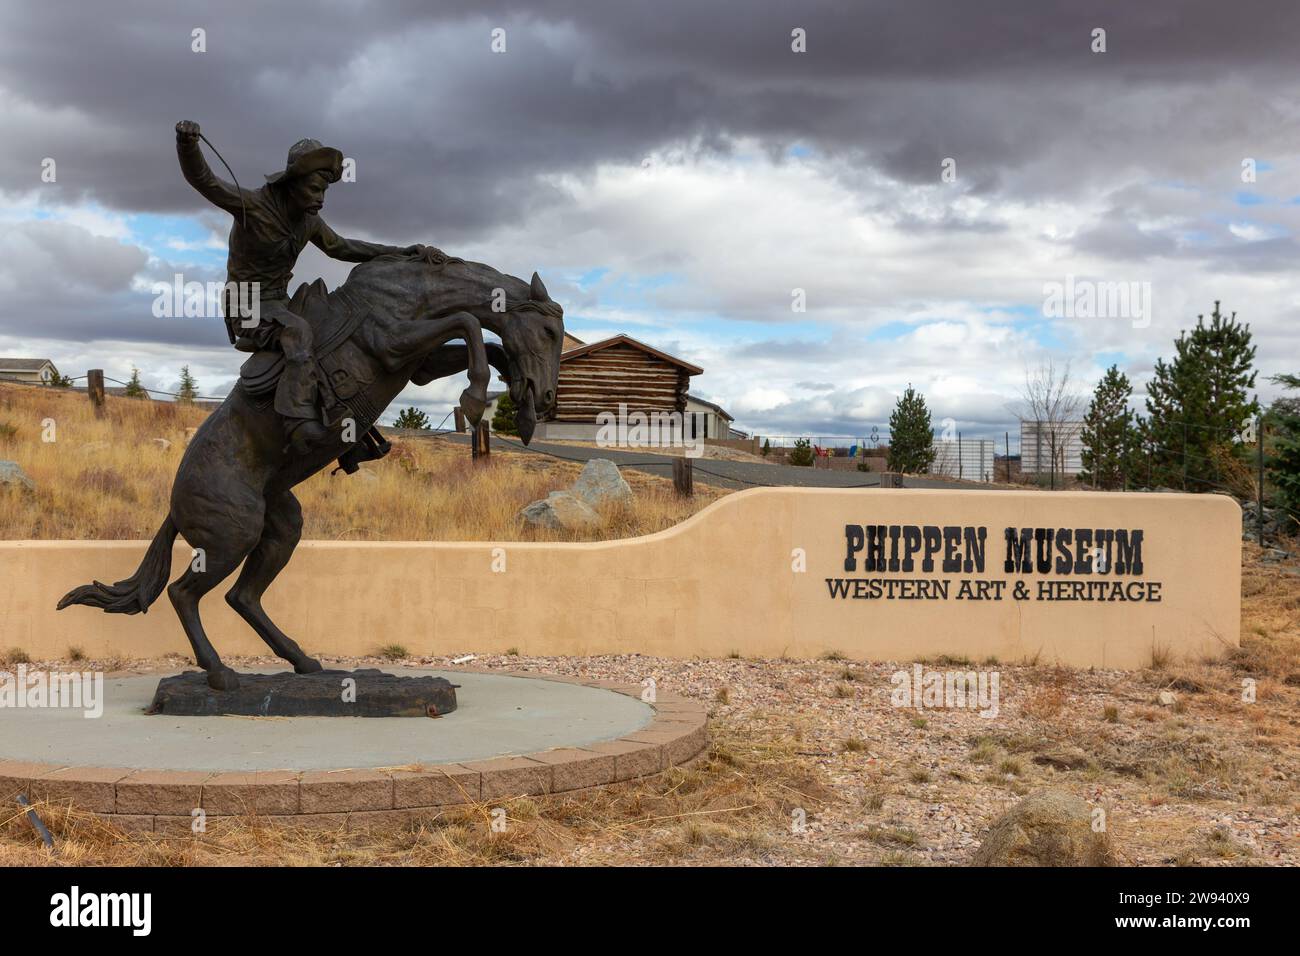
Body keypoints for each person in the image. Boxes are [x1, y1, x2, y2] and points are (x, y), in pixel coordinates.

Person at [175, 120, 422, 452]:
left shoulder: (308, 220)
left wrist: (400, 253)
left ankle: (350, 434)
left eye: (324, 191)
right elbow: (203, 180)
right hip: (245, 305)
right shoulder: (253, 206)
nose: (320, 198)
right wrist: (187, 144)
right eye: (314, 189)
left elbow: (342, 248)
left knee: (332, 331)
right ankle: (298, 426)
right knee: (299, 333)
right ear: (292, 183)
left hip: (280, 302)